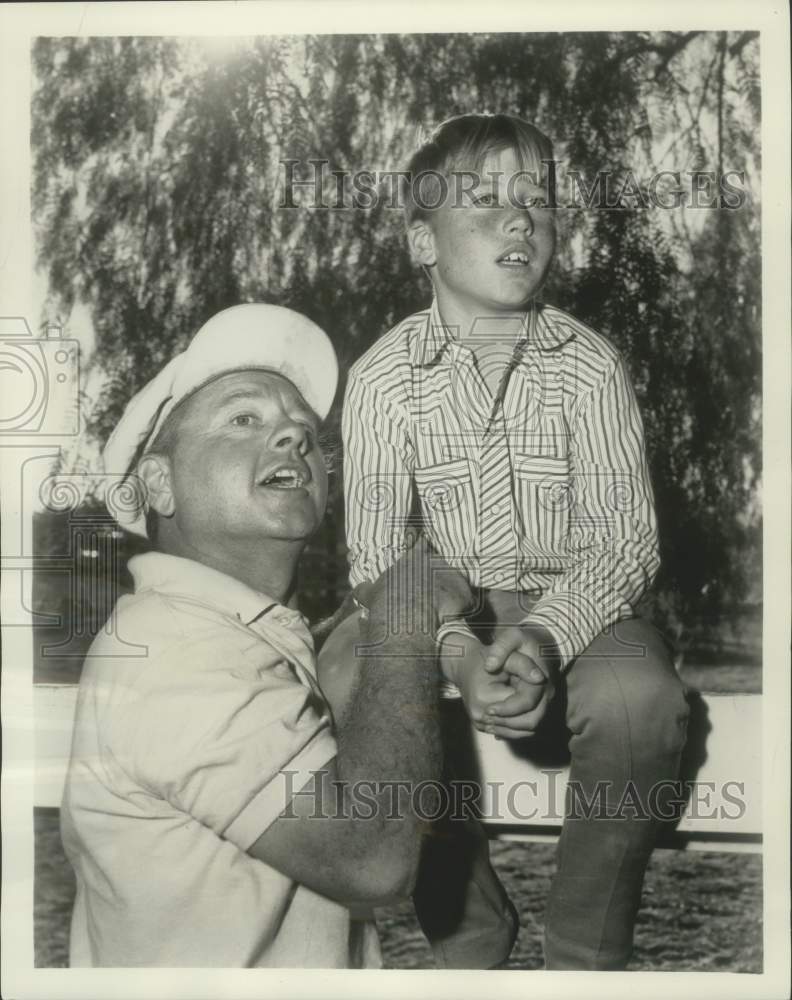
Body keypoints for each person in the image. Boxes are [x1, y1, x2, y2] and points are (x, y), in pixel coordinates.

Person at [340, 113, 691, 970]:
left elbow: (623, 542)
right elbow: (381, 560)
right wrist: (459, 654)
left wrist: (542, 633)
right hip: (436, 606)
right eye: (487, 199)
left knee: (641, 703)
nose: (520, 218)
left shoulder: (589, 363)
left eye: (538, 200)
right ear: (423, 241)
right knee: (348, 677)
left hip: (584, 604)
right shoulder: (383, 379)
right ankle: (467, 929)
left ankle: (582, 954)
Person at [60, 303, 472, 968]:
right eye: (244, 419)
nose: (293, 438)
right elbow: (369, 858)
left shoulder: (232, 637)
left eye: (304, 430)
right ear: (158, 484)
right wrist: (403, 618)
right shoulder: (176, 651)